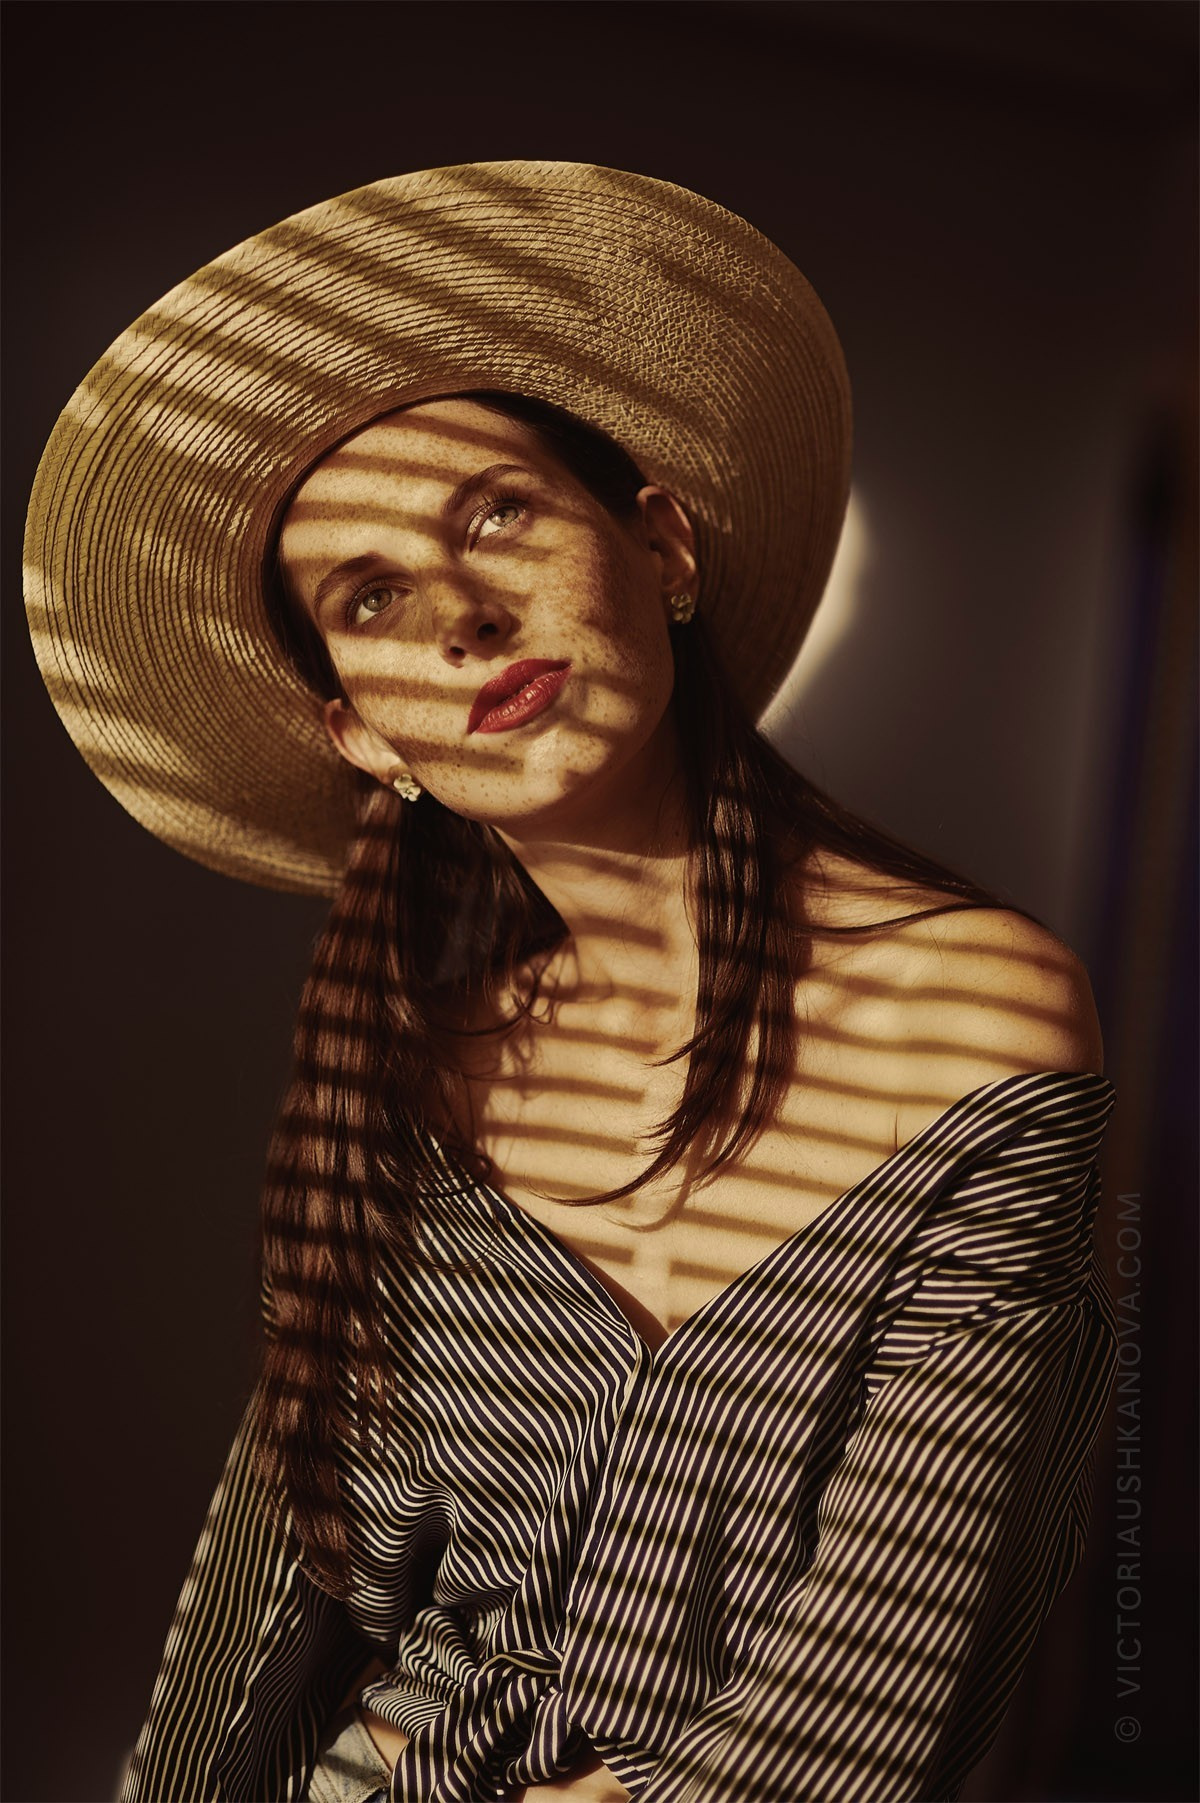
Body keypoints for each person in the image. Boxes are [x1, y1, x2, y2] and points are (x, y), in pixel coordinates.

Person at [25, 164, 1115, 1803]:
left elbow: (876, 1696)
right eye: (372, 601)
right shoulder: (422, 1076)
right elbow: (254, 1633)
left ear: (660, 542)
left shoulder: (973, 1020)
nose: (461, 619)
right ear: (363, 731)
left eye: (498, 515)